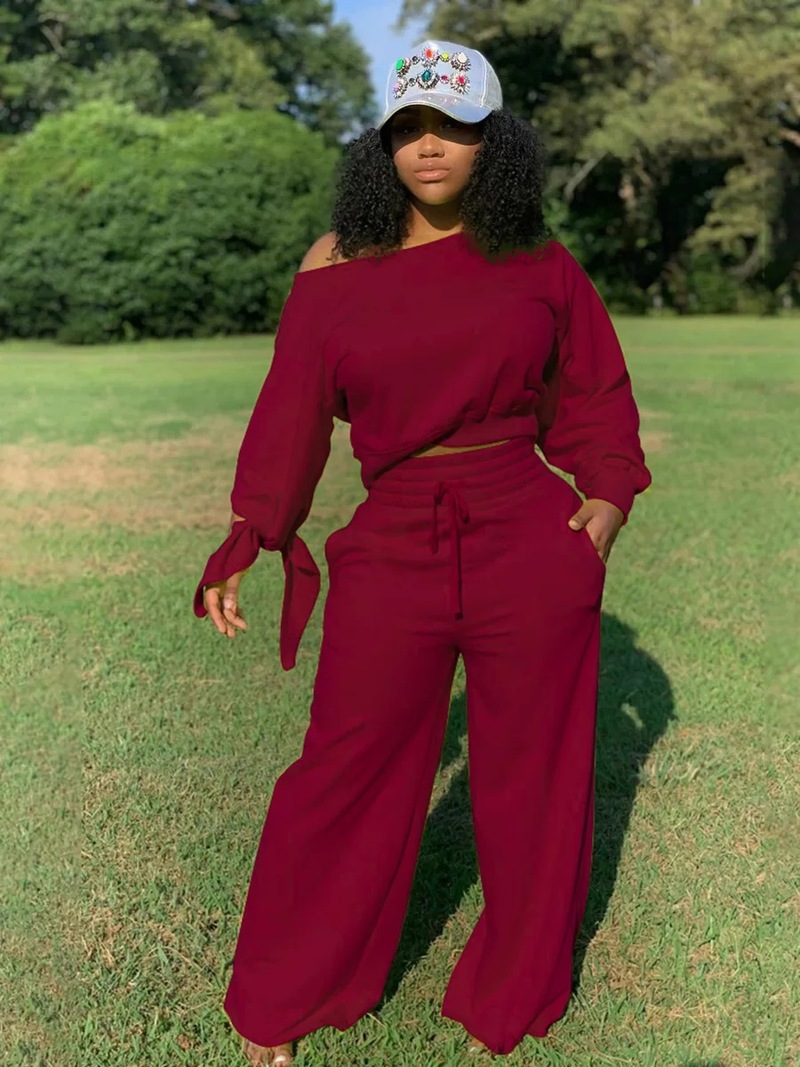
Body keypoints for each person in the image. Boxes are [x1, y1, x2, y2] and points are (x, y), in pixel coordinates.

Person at [193, 38, 652, 1066]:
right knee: (343, 766)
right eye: (409, 128)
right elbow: (291, 412)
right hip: (394, 536)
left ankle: (512, 986)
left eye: (453, 127)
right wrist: (252, 532)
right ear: (383, 143)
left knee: (533, 777)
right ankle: (289, 991)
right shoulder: (334, 263)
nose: (429, 146)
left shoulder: (535, 260)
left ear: (496, 143)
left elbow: (592, 392)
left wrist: (606, 500)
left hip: (524, 534)